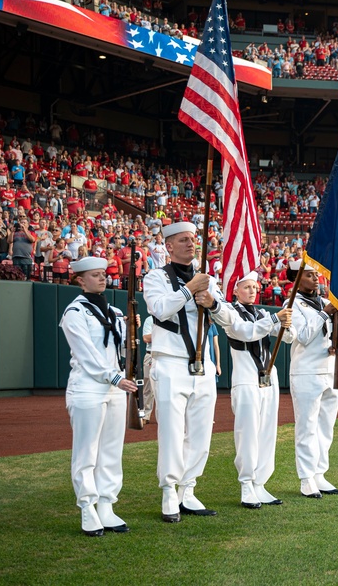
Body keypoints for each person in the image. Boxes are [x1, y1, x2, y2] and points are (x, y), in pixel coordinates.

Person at [142, 222, 224, 523]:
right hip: (171, 361)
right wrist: (190, 290)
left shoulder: (208, 279)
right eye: (183, 240)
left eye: (193, 239)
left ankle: (188, 490)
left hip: (202, 365)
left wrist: (212, 302)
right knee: (173, 432)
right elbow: (161, 309)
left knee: (201, 431)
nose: (191, 244)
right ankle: (168, 490)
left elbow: (223, 316)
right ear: (168, 246)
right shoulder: (156, 277)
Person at [60, 256, 138, 536]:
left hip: (115, 388)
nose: (103, 278)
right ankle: (87, 506)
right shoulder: (74, 313)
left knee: (111, 451)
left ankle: (106, 503)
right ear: (80, 280)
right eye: (95, 275)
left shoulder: (116, 312)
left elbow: (120, 351)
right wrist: (116, 377)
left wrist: (133, 330)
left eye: (104, 274)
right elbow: (88, 355)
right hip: (88, 388)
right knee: (87, 451)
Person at [215, 270, 292, 509]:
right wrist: (275, 320)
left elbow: (287, 338)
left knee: (267, 433)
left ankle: (260, 483)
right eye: (247, 287)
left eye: (255, 288)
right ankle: (246, 484)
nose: (252, 291)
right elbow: (245, 332)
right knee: (247, 433)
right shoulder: (230, 313)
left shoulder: (261, 313)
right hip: (246, 379)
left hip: (269, 379)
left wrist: (286, 324)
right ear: (236, 290)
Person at [283, 262, 338, 499]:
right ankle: (306, 478)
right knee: (307, 426)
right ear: (297, 280)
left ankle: (320, 474)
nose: (316, 279)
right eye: (309, 275)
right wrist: (324, 313)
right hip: (306, 370)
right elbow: (305, 336)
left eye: (316, 275)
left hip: (329, 369)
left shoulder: (321, 301)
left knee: (326, 428)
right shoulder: (292, 305)